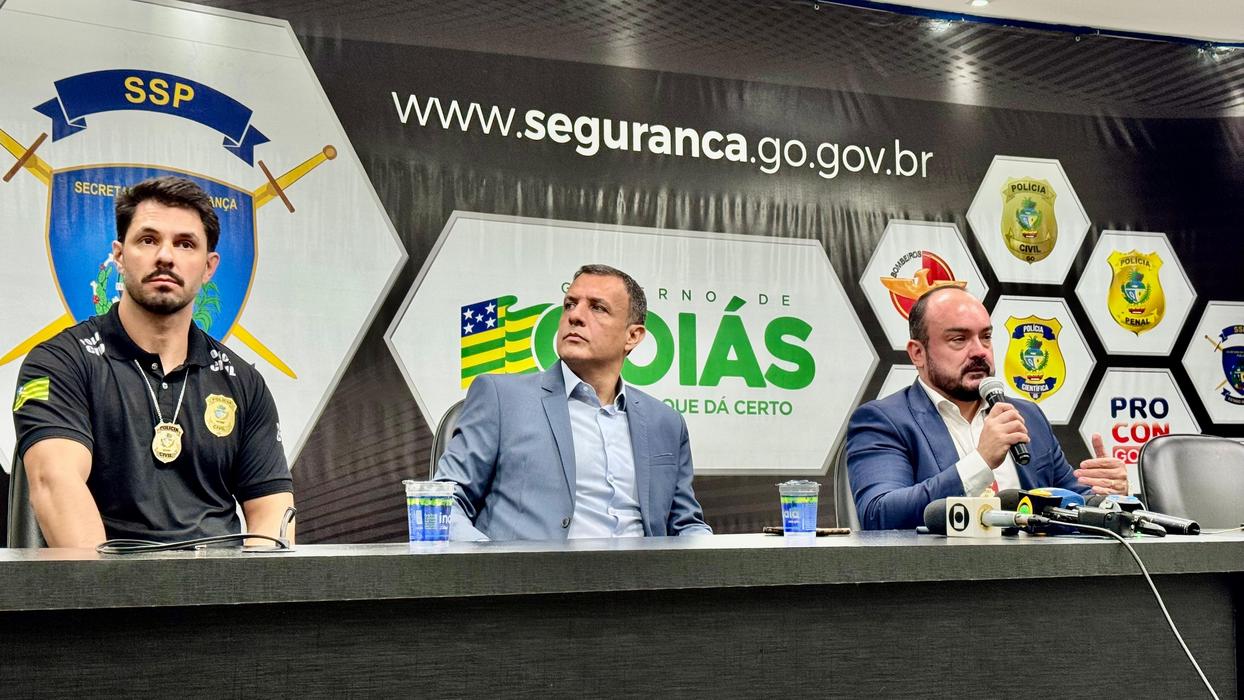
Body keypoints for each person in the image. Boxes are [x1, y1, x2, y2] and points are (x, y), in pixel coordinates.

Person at [12, 176, 294, 547]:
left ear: (209, 267)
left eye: (185, 244)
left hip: (222, 579)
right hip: (110, 577)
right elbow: (55, 482)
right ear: (118, 255)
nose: (165, 256)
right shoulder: (59, 362)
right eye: (148, 240)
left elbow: (272, 511)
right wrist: (117, 585)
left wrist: (258, 583)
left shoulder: (244, 382)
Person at [435, 264, 712, 541]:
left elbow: (686, 525)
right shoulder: (501, 397)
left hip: (646, 568)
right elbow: (444, 505)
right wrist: (493, 562)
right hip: (536, 568)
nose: (575, 316)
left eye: (597, 308)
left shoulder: (666, 422)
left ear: (632, 336)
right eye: (570, 304)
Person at [846, 287, 1128, 530]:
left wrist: (1110, 498)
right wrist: (981, 462)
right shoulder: (884, 421)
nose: (979, 351)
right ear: (917, 353)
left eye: (986, 337)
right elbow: (878, 514)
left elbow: (1071, 503)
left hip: (1037, 571)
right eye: (959, 339)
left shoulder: (1027, 416)